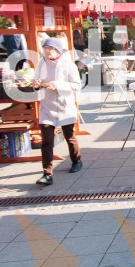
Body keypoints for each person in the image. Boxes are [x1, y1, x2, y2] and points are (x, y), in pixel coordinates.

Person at [34, 38, 83, 186]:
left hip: (64, 106)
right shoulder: (41, 63)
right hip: (47, 106)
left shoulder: (68, 64)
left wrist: (58, 85)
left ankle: (76, 160)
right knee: (47, 140)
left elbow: (76, 85)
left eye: (50, 48)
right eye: (45, 48)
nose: (47, 51)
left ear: (57, 50)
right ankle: (47, 173)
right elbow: (36, 79)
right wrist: (36, 85)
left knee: (69, 136)